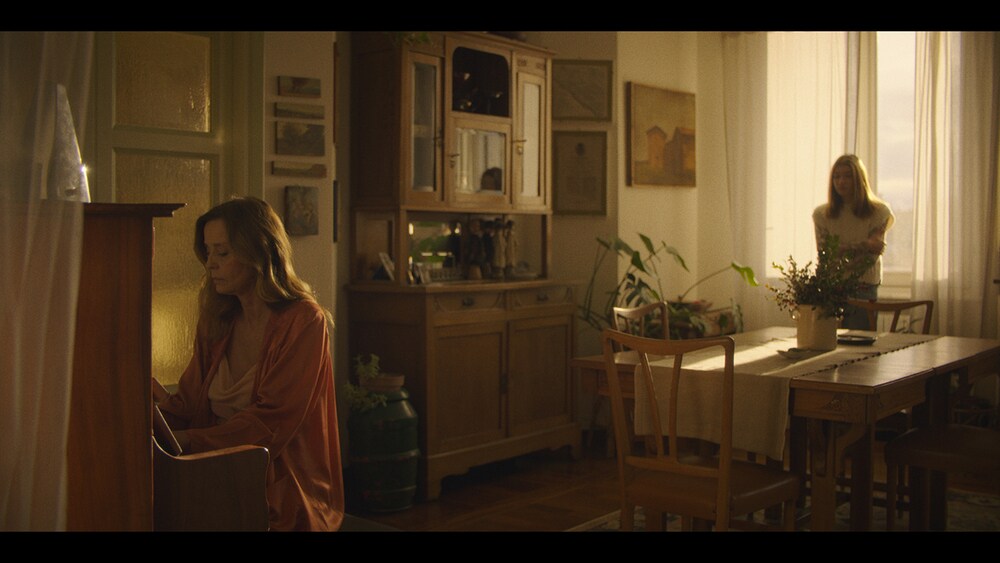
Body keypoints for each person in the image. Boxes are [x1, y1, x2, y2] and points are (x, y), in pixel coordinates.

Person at [155, 196, 344, 531]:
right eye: (207, 252)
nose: (210, 264)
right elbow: (188, 404)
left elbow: (272, 423)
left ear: (258, 253)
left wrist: (189, 441)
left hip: (279, 484)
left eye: (222, 253)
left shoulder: (303, 321)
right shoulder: (217, 319)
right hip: (212, 473)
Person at [812, 154, 895, 329]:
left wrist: (841, 251)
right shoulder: (822, 214)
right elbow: (825, 252)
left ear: (858, 179)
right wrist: (864, 245)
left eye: (847, 176)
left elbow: (869, 258)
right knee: (825, 339)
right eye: (836, 177)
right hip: (831, 285)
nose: (841, 181)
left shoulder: (879, 212)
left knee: (859, 339)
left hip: (863, 286)